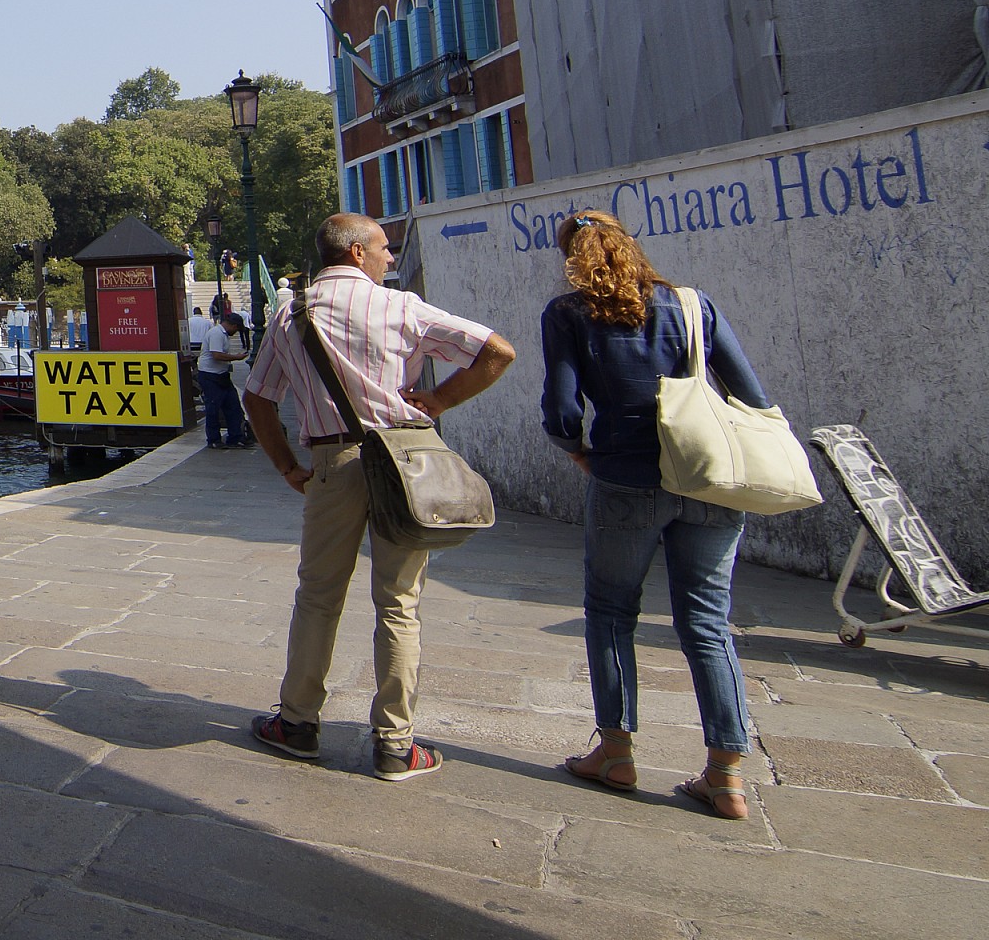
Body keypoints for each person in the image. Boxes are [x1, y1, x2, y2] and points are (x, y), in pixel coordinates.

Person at [243, 214, 515, 781]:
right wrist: (438, 400)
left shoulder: (290, 315)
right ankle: (394, 743)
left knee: (318, 595)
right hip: (406, 462)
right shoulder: (402, 308)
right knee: (399, 603)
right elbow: (498, 351)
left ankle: (296, 722)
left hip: (332, 461)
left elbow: (258, 399)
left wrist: (289, 467)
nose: (391, 258)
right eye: (385, 249)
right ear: (358, 252)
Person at [542, 210, 765, 819]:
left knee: (612, 612)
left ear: (571, 256)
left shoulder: (568, 315)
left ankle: (616, 752)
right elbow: (753, 395)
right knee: (708, 623)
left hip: (626, 481)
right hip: (708, 479)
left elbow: (562, 410)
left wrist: (580, 453)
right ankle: (727, 774)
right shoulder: (693, 305)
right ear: (630, 246)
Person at [196, 294, 250, 448]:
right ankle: (213, 440)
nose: (236, 332)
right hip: (210, 375)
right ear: (231, 325)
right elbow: (216, 355)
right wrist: (236, 357)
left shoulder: (222, 334)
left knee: (232, 406)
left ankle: (235, 437)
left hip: (220, 375)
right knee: (213, 407)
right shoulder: (216, 334)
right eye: (236, 329)